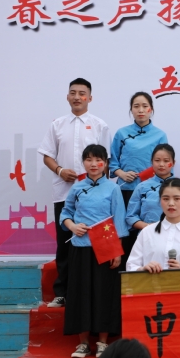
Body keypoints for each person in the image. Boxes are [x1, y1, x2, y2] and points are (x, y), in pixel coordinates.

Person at [38, 78, 110, 308]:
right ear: (67, 96)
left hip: (94, 196)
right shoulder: (57, 125)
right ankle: (62, 293)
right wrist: (60, 171)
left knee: (94, 241)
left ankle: (94, 292)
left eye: (82, 93)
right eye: (73, 93)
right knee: (65, 243)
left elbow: (106, 160)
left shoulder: (100, 125)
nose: (77, 97)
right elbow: (47, 155)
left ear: (90, 97)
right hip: (64, 193)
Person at [126, 177, 180, 346]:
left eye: (177, 198)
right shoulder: (147, 232)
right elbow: (131, 266)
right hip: (150, 306)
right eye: (166, 198)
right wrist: (142, 269)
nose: (171, 203)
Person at [59, 144, 128, 358]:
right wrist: (72, 226)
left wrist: (117, 252)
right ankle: (82, 343)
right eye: (88, 159)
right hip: (80, 248)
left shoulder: (113, 189)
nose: (94, 164)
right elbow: (65, 213)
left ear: (105, 163)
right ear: (83, 163)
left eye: (98, 160)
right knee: (80, 294)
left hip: (106, 247)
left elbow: (119, 220)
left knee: (103, 294)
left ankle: (102, 342)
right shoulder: (77, 188)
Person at [110, 92, 168, 204]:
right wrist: (122, 174)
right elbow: (113, 161)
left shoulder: (160, 135)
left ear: (151, 109)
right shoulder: (121, 133)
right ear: (131, 110)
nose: (141, 110)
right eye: (136, 106)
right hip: (126, 187)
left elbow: (165, 164)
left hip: (152, 189)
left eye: (145, 106)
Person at [125, 144, 180, 240]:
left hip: (176, 237)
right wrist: (148, 227)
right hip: (148, 237)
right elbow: (130, 216)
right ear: (152, 162)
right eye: (157, 160)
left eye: (166, 161)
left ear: (173, 163)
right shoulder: (142, 187)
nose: (161, 164)